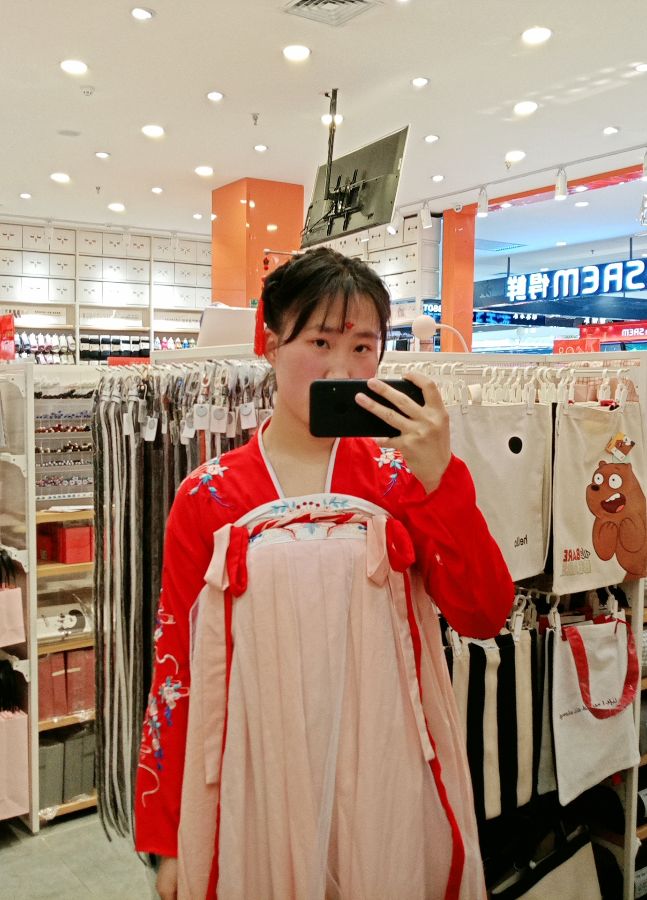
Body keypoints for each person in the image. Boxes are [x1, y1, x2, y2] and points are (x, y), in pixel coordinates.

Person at [134, 247, 514, 900]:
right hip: (258, 771)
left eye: (363, 348)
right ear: (269, 344)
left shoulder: (403, 479)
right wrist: (167, 838)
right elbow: (177, 667)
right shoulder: (209, 496)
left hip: (387, 768)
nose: (342, 369)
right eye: (319, 342)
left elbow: (483, 613)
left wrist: (441, 478)